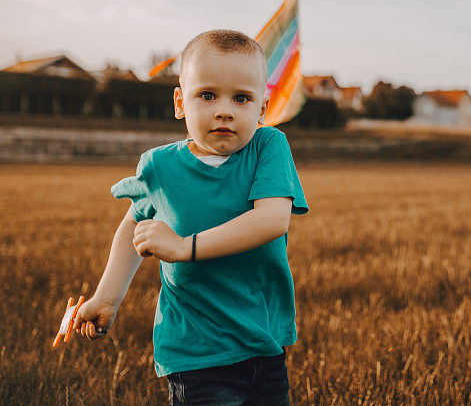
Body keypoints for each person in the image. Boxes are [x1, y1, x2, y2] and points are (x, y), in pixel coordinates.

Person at [72, 28, 309, 405]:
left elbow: (272, 220)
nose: (225, 109)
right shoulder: (160, 165)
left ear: (262, 108)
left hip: (264, 343)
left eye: (242, 98)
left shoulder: (269, 147)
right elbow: (135, 227)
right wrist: (107, 298)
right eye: (208, 95)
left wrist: (185, 246)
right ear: (181, 102)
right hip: (194, 349)